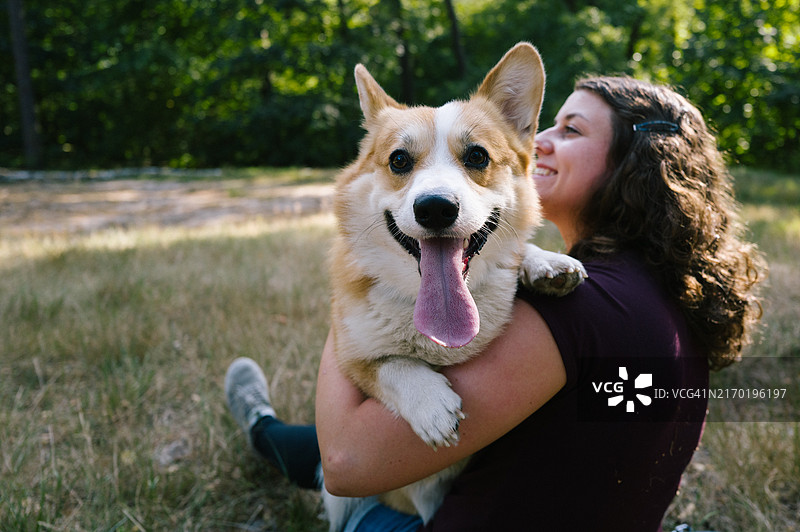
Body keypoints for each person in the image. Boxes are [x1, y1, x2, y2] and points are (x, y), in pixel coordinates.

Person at [225, 76, 764, 531]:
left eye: (570, 129)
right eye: (545, 124)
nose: (535, 143)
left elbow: (348, 460)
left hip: (427, 514)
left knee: (330, 470)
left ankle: (262, 430)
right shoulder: (658, 294)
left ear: (640, 163)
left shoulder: (574, 309)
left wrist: (355, 280)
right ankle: (265, 429)